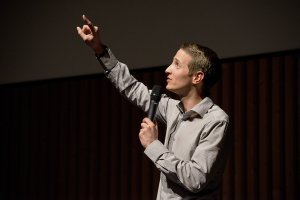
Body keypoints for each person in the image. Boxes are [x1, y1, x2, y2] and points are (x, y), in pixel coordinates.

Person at [77, 15, 231, 200]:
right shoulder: (172, 107)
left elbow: (195, 178)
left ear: (197, 77)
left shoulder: (216, 120)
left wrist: (153, 145)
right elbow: (132, 87)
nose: (167, 69)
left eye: (176, 64)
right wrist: (99, 49)